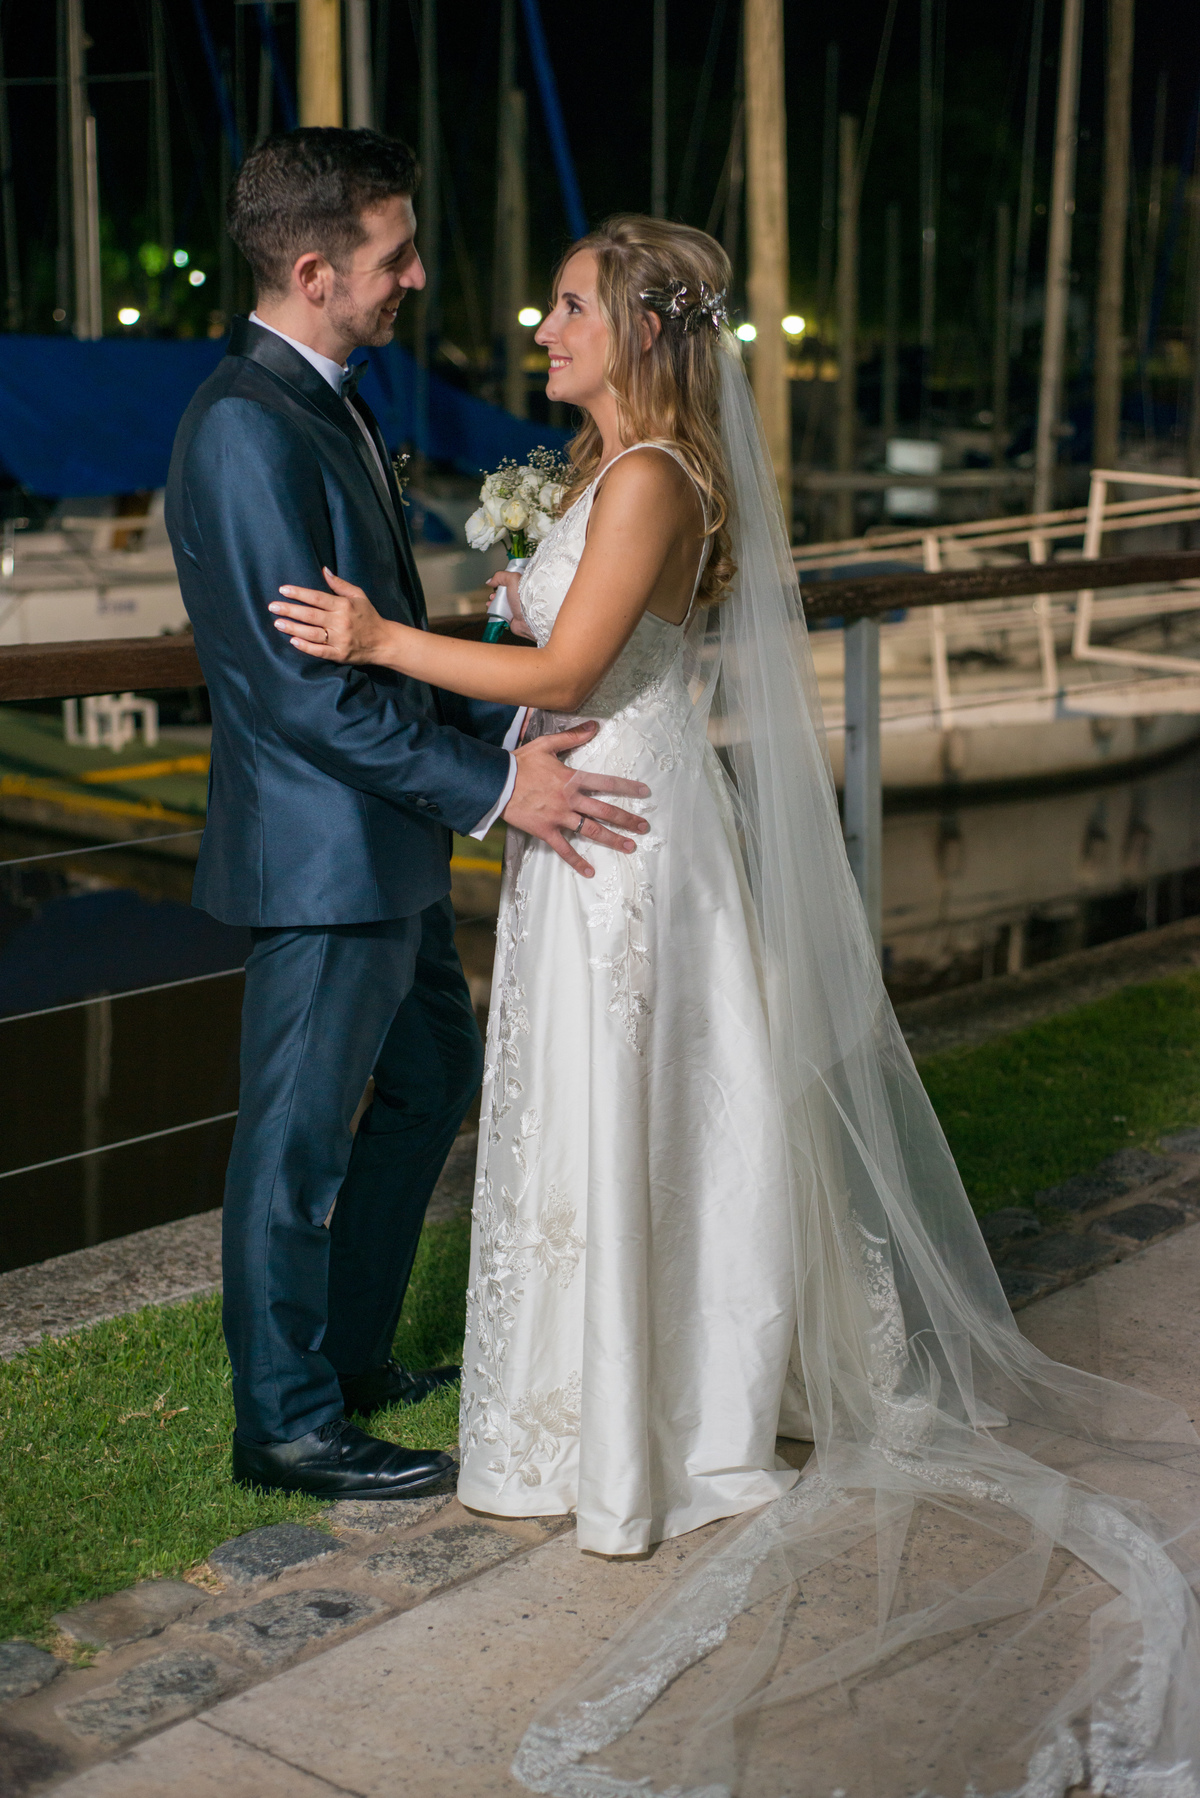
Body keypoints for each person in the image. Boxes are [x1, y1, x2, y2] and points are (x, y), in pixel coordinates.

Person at [271, 216, 1200, 1796]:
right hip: (587, 817)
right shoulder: (591, 472)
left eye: (566, 306)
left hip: (627, 837)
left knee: (644, 1113)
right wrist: (505, 622)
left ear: (637, 329)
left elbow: (573, 654)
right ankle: (573, 1416)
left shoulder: (649, 480)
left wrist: (379, 634)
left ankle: (655, 1434)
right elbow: (565, 646)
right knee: (583, 1112)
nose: (540, 324)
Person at [165, 130, 651, 1505]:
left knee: (434, 1079)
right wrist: (504, 787)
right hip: (325, 860)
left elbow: (378, 644)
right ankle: (286, 1423)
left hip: (387, 842)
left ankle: (355, 1357)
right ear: (315, 271)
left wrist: (503, 719)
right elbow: (299, 696)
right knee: (295, 1141)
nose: (419, 278)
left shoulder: (334, 399)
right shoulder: (246, 426)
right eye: (395, 257)